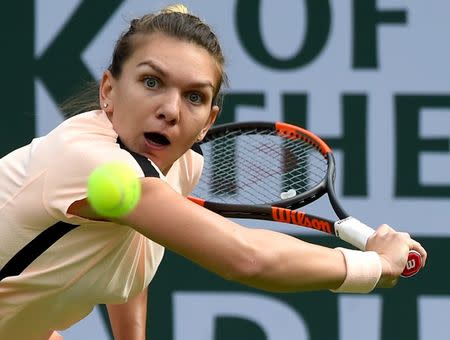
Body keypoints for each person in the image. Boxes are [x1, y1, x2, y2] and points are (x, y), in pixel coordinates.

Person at [0, 4, 427, 340]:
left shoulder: (178, 167)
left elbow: (130, 246)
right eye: (151, 82)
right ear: (108, 90)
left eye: (193, 96)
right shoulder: (92, 161)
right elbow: (248, 258)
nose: (169, 109)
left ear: (208, 120)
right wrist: (373, 267)